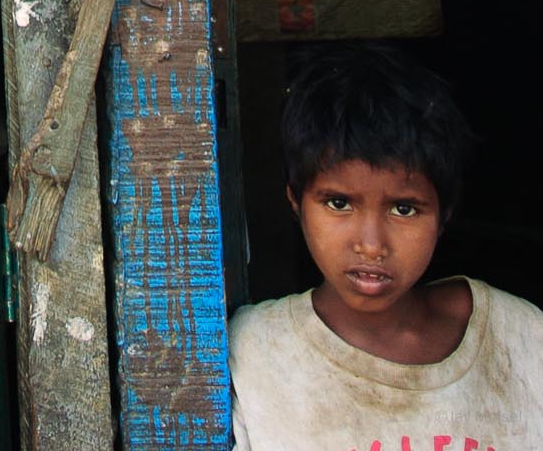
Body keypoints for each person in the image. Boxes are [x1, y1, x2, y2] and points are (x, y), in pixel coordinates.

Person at [230, 44, 543, 449]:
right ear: (296, 202)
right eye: (338, 203)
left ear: (444, 214)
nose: (371, 245)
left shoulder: (520, 340)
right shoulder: (257, 353)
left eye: (404, 209)